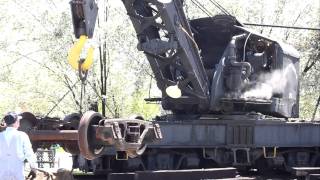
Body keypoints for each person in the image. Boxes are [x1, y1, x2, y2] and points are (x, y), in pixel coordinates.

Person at [0, 112, 37, 180]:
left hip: (2, 171)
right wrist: (33, 168)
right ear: (16, 122)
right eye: (18, 121)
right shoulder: (22, 135)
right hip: (17, 171)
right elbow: (29, 154)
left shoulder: (0, 136)